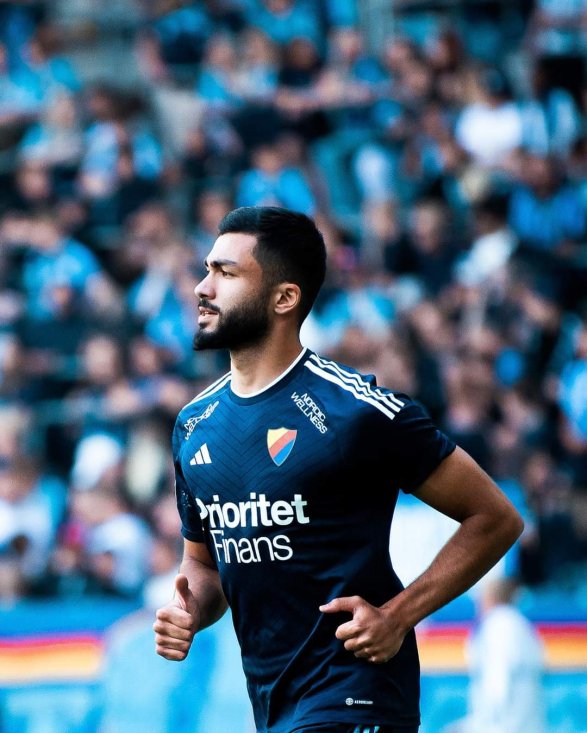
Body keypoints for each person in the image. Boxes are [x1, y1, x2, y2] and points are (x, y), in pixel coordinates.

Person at [153, 206, 524, 733]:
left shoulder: (354, 411)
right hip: (274, 706)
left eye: (226, 273)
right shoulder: (194, 425)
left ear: (285, 298)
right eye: (207, 269)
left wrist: (398, 616)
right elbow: (204, 567)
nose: (202, 287)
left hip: (358, 693)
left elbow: (494, 517)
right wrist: (188, 612)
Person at [445, 577, 547, 733]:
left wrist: (486, 722)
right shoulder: (522, 625)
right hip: (526, 722)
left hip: (502, 723)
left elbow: (498, 678)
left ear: (490, 597)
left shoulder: (498, 625)